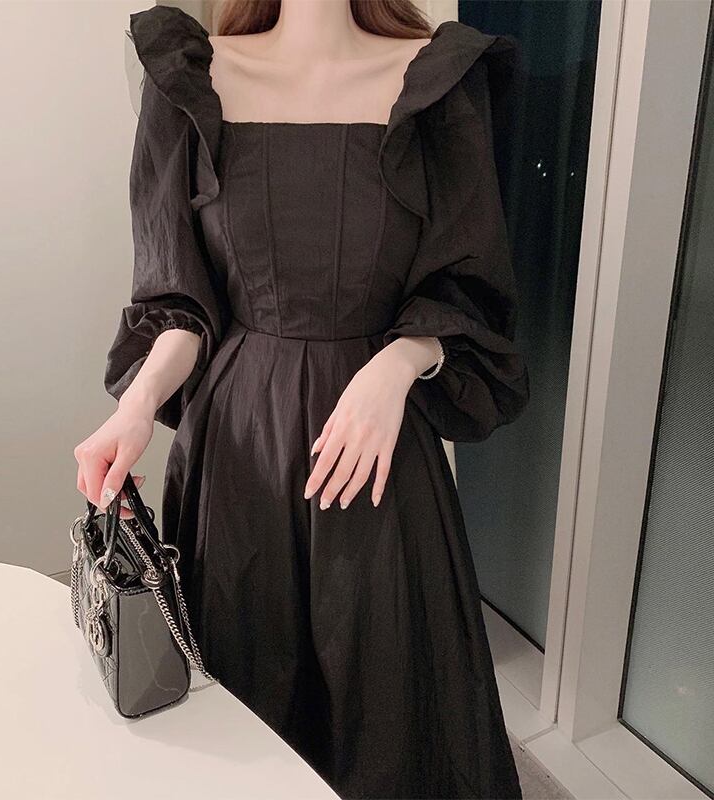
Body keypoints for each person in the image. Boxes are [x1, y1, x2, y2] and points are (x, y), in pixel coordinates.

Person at [74, 1, 530, 797]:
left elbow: (470, 289)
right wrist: (137, 404)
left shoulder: (438, 81)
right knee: (240, 707)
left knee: (392, 711)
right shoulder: (191, 79)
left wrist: (398, 364)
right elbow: (181, 300)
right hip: (236, 454)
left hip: (375, 455)